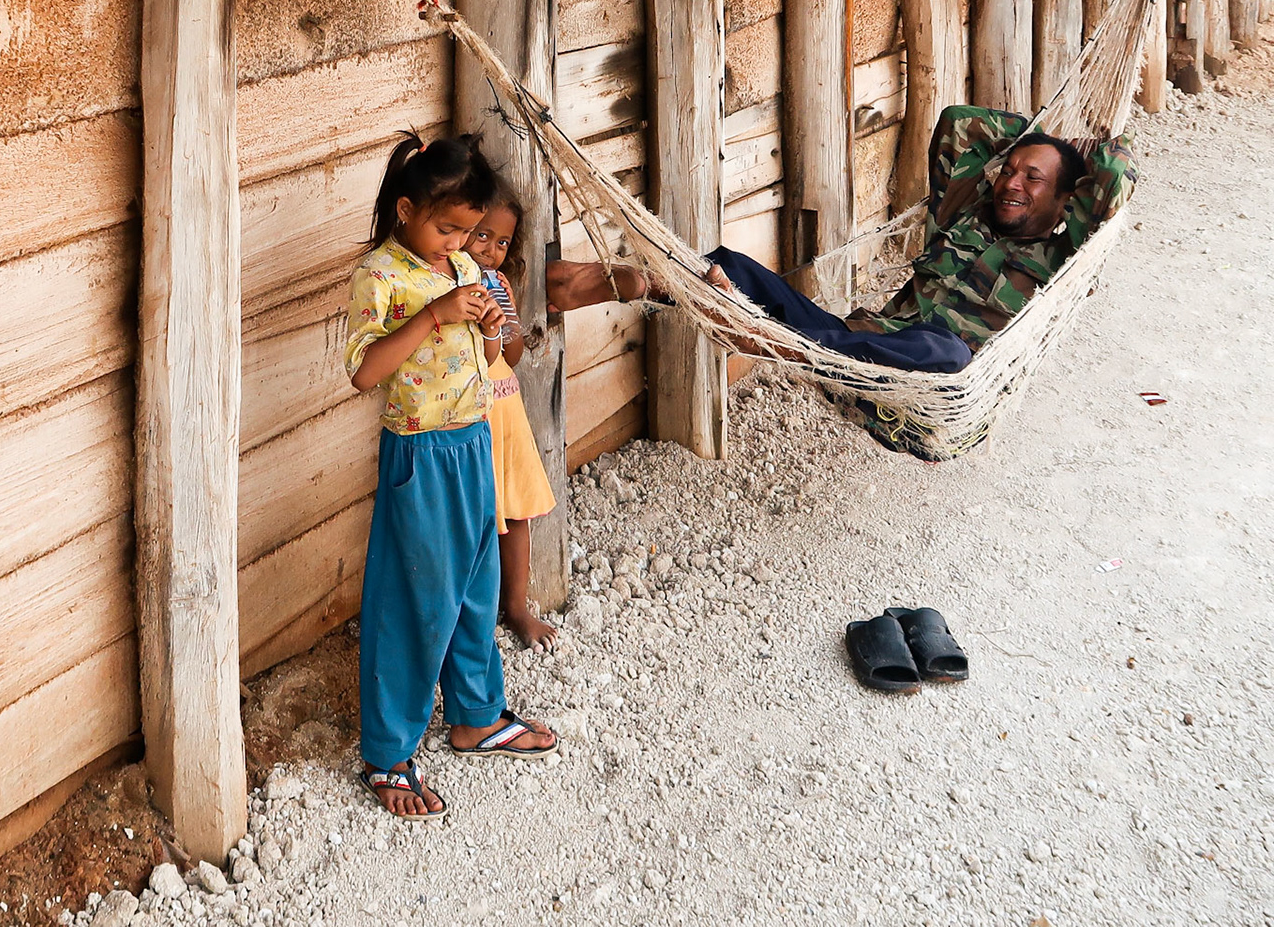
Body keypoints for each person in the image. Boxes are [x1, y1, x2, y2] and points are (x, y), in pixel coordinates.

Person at [546, 105, 1138, 374]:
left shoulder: (1062, 256)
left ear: (1065, 199)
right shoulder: (966, 213)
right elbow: (958, 123)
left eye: (1032, 179)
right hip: (857, 341)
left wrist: (1081, 156)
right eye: (1010, 169)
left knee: (950, 352)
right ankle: (629, 279)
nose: (1011, 181)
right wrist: (1035, 140)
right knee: (733, 265)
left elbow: (1119, 180)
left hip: (937, 381)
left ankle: (780, 340)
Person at [344, 132, 558, 820]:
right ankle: (388, 752)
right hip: (419, 453)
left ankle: (475, 714)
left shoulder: (461, 269)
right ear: (406, 209)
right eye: (447, 228)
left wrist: (491, 323)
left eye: (467, 231)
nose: (457, 243)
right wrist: (434, 315)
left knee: (475, 585)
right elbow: (364, 371)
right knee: (414, 602)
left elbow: (495, 353)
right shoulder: (381, 277)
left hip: (472, 443)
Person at [463, 195, 559, 651]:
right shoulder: (452, 284)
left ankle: (517, 606)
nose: (491, 249)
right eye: (482, 235)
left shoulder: (498, 282)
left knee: (516, 509)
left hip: (506, 408)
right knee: (478, 514)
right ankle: (473, 615)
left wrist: (505, 327)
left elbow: (512, 355)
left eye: (502, 241)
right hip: (471, 414)